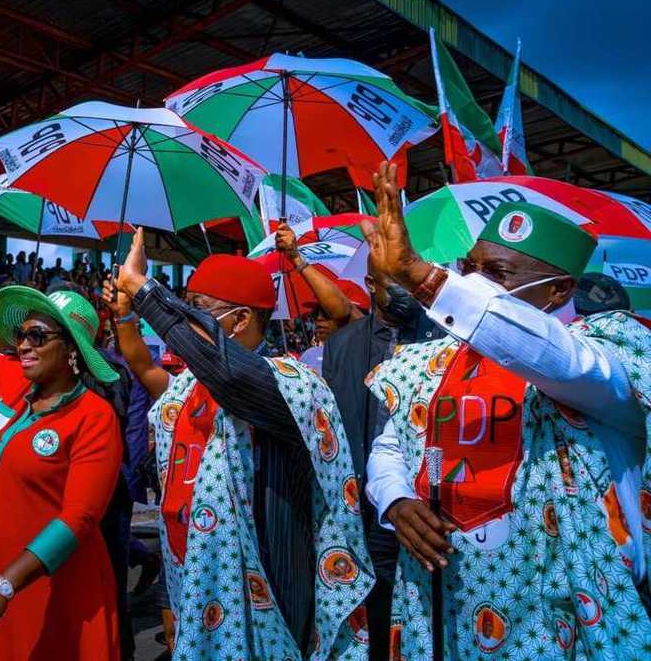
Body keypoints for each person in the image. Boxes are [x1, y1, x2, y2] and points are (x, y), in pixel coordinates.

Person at [360, 161, 651, 659]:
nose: (472, 283)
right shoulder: (437, 357)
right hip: (446, 598)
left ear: (559, 290)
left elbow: (552, 357)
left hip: (556, 615)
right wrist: (398, 498)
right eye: (468, 267)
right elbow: (396, 444)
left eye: (494, 274)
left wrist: (427, 280)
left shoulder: (604, 350)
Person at [106, 229, 372, 658]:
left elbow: (230, 375)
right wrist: (124, 315)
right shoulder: (188, 386)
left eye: (197, 310)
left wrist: (144, 290)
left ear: (241, 319)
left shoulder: (290, 383)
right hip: (190, 578)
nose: (186, 324)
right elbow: (145, 368)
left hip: (267, 588)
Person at [0, 226, 122, 659]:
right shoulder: (11, 381)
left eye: (38, 336)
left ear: (72, 350)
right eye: (21, 335)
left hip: (44, 583)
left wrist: (6, 585)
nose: (23, 346)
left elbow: (79, 517)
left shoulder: (95, 417)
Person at [320, 262, 443, 659]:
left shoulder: (441, 336)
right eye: (396, 282)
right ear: (371, 284)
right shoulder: (342, 344)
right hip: (360, 505)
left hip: (421, 506)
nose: (407, 289)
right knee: (371, 606)